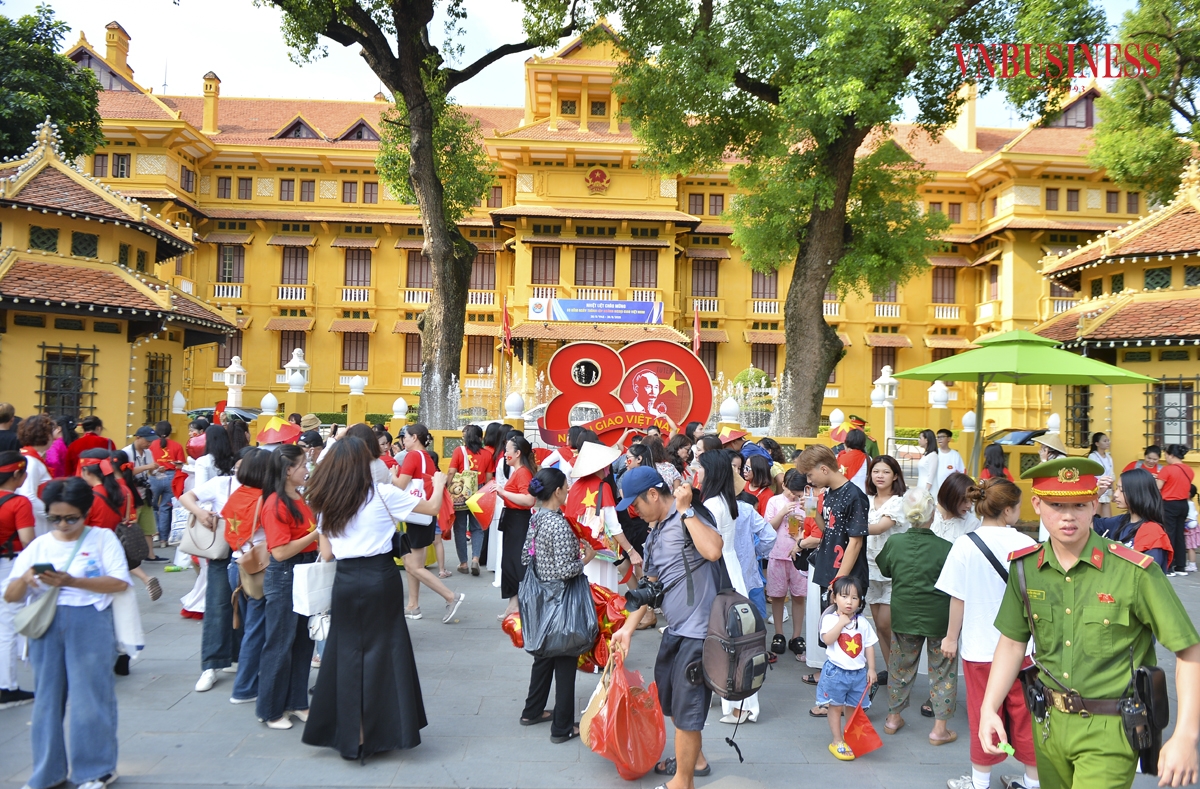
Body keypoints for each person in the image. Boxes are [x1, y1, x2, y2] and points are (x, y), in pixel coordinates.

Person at [980, 456, 1200, 789]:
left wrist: (1185, 735)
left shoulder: (1134, 572)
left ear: (1095, 505)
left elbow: (1189, 650)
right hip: (1048, 724)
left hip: (1110, 729)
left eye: (1079, 505)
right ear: (1037, 505)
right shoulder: (1025, 569)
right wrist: (989, 707)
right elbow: (1012, 643)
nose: (1068, 516)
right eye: (1056, 505)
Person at [303, 436, 446, 761]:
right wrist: (438, 484)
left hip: (345, 580)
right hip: (380, 578)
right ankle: (382, 731)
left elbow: (326, 552)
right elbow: (432, 509)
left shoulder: (326, 500)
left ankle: (351, 734)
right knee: (385, 651)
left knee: (345, 652)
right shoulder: (382, 494)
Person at [3, 477, 131, 789]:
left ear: (85, 513)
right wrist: (28, 578)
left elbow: (119, 582)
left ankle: (96, 770)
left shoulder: (102, 539)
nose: (62, 525)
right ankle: (47, 773)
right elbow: (10, 595)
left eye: (71, 518)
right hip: (46, 624)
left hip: (90, 619)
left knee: (91, 697)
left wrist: (71, 581)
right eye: (55, 518)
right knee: (46, 700)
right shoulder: (39, 545)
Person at [611, 469, 724, 788]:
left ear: (652, 494)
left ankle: (682, 782)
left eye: (635, 504)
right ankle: (695, 760)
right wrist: (627, 629)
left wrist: (686, 510)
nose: (634, 512)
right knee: (671, 701)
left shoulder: (690, 515)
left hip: (699, 632)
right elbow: (649, 588)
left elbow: (713, 551)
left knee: (688, 711)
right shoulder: (654, 535)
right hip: (675, 631)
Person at [936, 478, 1039, 789]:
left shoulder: (964, 544)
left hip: (980, 648)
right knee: (1028, 716)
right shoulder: (1027, 544)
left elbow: (957, 597)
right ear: (1007, 510)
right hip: (1023, 650)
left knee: (984, 712)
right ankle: (1031, 782)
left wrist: (951, 637)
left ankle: (979, 782)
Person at [516, 467, 596, 742]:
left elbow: (526, 557)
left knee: (544, 655)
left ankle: (532, 711)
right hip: (561, 600)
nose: (569, 489)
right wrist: (585, 558)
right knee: (564, 658)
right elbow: (566, 570)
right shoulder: (558, 524)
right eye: (566, 486)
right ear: (558, 491)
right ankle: (562, 727)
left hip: (541, 598)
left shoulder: (537, 518)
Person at [877, 488, 958, 746]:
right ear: (931, 515)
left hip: (904, 613)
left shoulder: (895, 543)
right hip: (939, 617)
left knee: (900, 666)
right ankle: (939, 729)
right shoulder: (946, 548)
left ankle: (893, 718)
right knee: (943, 671)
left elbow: (884, 568)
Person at [795, 444, 869, 689]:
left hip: (846, 577)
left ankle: (846, 684)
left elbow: (855, 542)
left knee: (848, 631)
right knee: (831, 627)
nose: (809, 480)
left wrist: (840, 581)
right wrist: (811, 508)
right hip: (829, 569)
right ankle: (831, 678)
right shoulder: (828, 493)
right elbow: (829, 530)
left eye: (810, 474)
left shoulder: (855, 496)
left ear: (824, 469)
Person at [257, 445, 318, 730]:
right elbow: (280, 552)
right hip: (285, 574)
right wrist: (316, 534)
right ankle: (270, 709)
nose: (307, 469)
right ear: (288, 469)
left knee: (303, 641)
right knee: (280, 644)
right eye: (303, 464)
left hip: (304, 571)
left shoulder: (298, 497)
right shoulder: (275, 503)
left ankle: (297, 701)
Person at [177, 427, 240, 695]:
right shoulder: (222, 483)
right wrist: (202, 513)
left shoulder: (263, 489)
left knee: (245, 607)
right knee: (217, 604)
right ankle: (211, 664)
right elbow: (187, 496)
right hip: (222, 549)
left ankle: (236, 656)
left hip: (252, 554)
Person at [394, 423, 464, 620]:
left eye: (405, 437)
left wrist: (391, 475)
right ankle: (413, 605)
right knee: (412, 563)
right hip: (425, 514)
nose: (403, 441)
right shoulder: (426, 457)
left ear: (414, 437)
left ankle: (451, 596)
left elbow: (400, 485)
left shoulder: (413, 456)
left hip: (417, 513)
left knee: (413, 565)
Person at [220, 448, 273, 705]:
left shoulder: (237, 494)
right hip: (258, 568)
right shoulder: (265, 498)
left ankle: (248, 678)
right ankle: (244, 688)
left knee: (249, 628)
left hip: (236, 564)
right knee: (256, 629)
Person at [77, 449, 161, 603]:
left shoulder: (89, 499)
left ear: (86, 471)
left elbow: (80, 529)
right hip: (115, 546)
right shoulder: (124, 490)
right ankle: (145, 579)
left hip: (93, 552)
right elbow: (130, 517)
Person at [815, 576, 879, 761]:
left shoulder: (863, 622)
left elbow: (869, 646)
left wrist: (871, 669)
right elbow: (827, 640)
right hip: (836, 673)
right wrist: (841, 623)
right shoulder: (830, 619)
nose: (849, 602)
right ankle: (836, 740)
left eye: (854, 597)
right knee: (835, 707)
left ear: (860, 601)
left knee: (854, 708)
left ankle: (849, 737)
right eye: (844, 596)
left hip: (858, 674)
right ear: (834, 598)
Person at [866, 455, 908, 680]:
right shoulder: (866, 499)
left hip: (893, 569)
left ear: (895, 476)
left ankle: (901, 670)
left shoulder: (898, 502)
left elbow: (880, 527)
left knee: (885, 622)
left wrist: (848, 525)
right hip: (869, 567)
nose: (880, 476)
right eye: (876, 471)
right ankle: (893, 673)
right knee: (879, 625)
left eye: (885, 472)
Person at [0, 450, 37, 708]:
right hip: (8, 566)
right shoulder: (19, 503)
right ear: (16, 473)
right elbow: (27, 540)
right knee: (6, 628)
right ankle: (6, 687)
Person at [1093, 468, 1174, 573]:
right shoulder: (1120, 521)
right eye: (1116, 489)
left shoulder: (1153, 532)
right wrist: (1095, 495)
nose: (1115, 495)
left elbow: (1150, 576)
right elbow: (1085, 523)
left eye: (1121, 490)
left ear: (1137, 492)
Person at [764, 470, 808, 661]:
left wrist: (804, 521)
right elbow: (768, 527)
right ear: (783, 485)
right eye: (791, 490)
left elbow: (813, 527)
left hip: (799, 555)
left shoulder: (806, 502)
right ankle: (779, 633)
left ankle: (796, 636)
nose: (794, 495)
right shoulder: (774, 501)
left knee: (799, 596)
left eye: (798, 492)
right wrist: (782, 512)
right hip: (777, 554)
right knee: (777, 596)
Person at [497, 435, 537, 616]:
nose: (504, 454)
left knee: (515, 562)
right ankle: (514, 605)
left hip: (519, 521)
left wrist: (503, 492)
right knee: (510, 562)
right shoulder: (518, 471)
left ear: (518, 453)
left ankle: (519, 605)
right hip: (513, 520)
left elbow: (529, 500)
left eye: (507, 451)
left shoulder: (522, 473)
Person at [448, 424, 487, 575]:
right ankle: (475, 559)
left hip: (461, 492)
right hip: (480, 491)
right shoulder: (487, 454)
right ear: (480, 438)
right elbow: (489, 477)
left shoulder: (459, 451)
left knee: (460, 528)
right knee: (477, 527)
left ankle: (463, 563)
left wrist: (448, 487)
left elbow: (451, 471)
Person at [120, 426, 162, 560]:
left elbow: (151, 471)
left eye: (151, 441)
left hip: (144, 493)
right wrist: (147, 467)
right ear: (138, 438)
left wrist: (157, 470)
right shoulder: (126, 453)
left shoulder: (148, 453)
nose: (149, 443)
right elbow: (125, 472)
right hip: (131, 495)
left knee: (148, 527)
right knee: (130, 527)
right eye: (147, 440)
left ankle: (150, 555)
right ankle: (129, 557)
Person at [1158, 444, 1194, 577]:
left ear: (1171, 455)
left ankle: (1168, 567)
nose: (1165, 458)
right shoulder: (1189, 470)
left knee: (1169, 535)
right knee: (1180, 535)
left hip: (1169, 504)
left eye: (1166, 455)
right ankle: (1180, 566)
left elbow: (1158, 487)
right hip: (1183, 504)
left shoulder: (1167, 470)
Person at [17, 415, 55, 539]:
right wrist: (52, 515)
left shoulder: (29, 458)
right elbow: (28, 496)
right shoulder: (32, 461)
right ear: (47, 435)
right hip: (38, 524)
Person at [149, 421, 185, 548]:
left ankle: (155, 533)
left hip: (154, 476)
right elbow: (181, 465)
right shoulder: (177, 446)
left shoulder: (151, 445)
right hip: (171, 477)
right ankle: (164, 539)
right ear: (170, 432)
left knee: (152, 506)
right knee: (165, 508)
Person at [932, 472, 981, 543]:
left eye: (971, 501)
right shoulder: (926, 515)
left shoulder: (972, 524)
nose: (969, 506)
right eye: (965, 501)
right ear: (951, 497)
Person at [1089, 432, 1115, 518]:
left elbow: (1111, 474)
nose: (1108, 443)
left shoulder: (1108, 457)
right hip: (1098, 489)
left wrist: (1113, 490)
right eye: (1104, 441)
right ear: (1097, 443)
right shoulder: (1093, 456)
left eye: (1108, 440)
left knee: (1108, 519)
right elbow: (1092, 474)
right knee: (1096, 517)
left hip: (1106, 490)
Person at [836, 429, 870, 494]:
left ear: (846, 443)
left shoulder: (839, 458)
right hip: (863, 495)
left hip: (843, 495)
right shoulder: (868, 459)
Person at [934, 429, 965, 497]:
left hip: (949, 489)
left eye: (942, 437)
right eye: (938, 437)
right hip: (935, 488)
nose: (939, 439)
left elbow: (962, 472)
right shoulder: (934, 453)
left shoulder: (955, 455)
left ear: (949, 439)